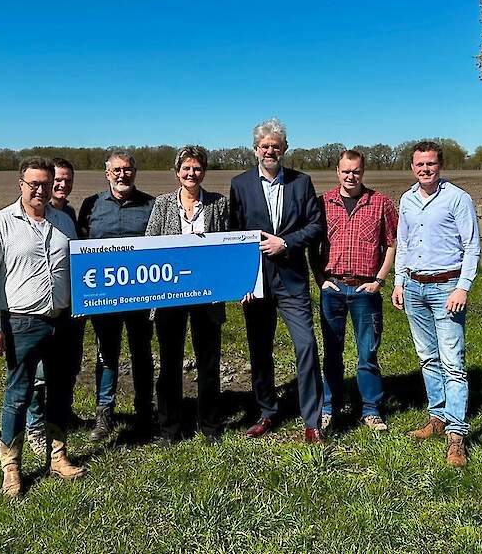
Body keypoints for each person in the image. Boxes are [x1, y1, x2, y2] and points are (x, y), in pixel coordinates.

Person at [0, 156, 87, 498]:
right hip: (22, 322)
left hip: (62, 321)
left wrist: (82, 302)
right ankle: (11, 468)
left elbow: (76, 267)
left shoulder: (63, 222)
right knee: (18, 394)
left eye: (46, 184)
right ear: (21, 184)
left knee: (61, 390)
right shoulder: (0, 224)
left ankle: (58, 456)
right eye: (33, 184)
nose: (40, 190)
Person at [229, 117, 327, 443]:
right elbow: (234, 235)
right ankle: (267, 412)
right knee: (260, 349)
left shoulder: (301, 182)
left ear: (284, 148)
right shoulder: (240, 184)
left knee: (306, 345)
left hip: (292, 280)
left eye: (275, 146)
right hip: (256, 282)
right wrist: (241, 282)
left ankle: (312, 420)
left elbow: (316, 226)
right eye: (264, 146)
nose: (270, 150)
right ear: (255, 149)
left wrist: (286, 242)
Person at [391, 141, 480, 467]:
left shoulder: (457, 198)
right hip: (414, 287)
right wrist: (399, 282)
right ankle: (437, 417)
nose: (425, 169)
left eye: (430, 164)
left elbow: (472, 246)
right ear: (412, 167)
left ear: (439, 165)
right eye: (419, 164)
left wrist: (462, 288)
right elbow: (403, 243)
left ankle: (456, 436)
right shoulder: (407, 200)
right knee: (428, 358)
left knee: (452, 363)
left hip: (447, 288)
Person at [145, 145, 230, 442]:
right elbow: (149, 244)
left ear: (203, 171)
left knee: (208, 362)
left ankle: (210, 426)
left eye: (197, 168)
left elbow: (229, 244)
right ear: (177, 171)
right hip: (170, 294)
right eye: (186, 168)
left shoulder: (219, 204)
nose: (191, 173)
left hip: (208, 294)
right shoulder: (163, 204)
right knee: (169, 362)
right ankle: (169, 427)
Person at [309, 149, 398, 433]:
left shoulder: (380, 203)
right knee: (331, 352)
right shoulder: (323, 203)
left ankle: (371, 409)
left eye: (356, 171)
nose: (351, 176)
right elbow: (312, 247)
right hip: (333, 287)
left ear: (363, 172)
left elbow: (392, 244)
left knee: (368, 352)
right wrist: (320, 279)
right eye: (346, 171)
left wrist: (379, 280)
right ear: (337, 172)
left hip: (365, 289)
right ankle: (329, 407)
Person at [77, 151, 156, 441]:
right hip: (104, 298)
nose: (123, 175)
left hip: (141, 297)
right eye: (117, 170)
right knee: (106, 355)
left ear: (135, 172)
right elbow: (80, 248)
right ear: (107, 173)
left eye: (128, 169)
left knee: (142, 354)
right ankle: (104, 414)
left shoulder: (151, 205)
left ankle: (145, 412)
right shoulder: (91, 205)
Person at [25, 157, 84, 455]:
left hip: (68, 306)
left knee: (67, 366)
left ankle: (61, 416)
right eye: (57, 180)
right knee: (37, 374)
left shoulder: (70, 215)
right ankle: (36, 427)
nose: (62, 185)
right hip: (36, 310)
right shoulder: (34, 215)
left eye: (67, 180)